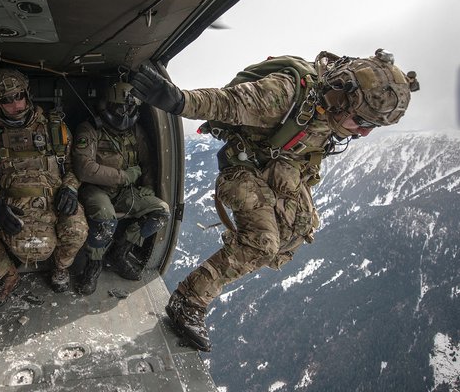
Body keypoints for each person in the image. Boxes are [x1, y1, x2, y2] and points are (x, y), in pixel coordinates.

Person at [130, 50, 418, 351]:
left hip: (282, 167)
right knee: (263, 243)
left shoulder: (333, 114)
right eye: (360, 121)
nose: (364, 132)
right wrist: (179, 101)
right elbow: (228, 103)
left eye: (372, 126)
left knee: (302, 227)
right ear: (341, 96)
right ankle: (188, 300)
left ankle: (242, 251)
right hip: (241, 166)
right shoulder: (286, 94)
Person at [0, 68, 88, 308]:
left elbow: (74, 165)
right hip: (9, 204)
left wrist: (70, 188)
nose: (16, 103)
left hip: (52, 201)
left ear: (27, 94)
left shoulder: (54, 128)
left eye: (19, 95)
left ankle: (60, 268)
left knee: (77, 229)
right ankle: (5, 275)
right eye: (6, 100)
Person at [71, 81, 171, 295]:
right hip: (96, 190)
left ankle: (120, 253)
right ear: (106, 106)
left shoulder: (136, 131)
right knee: (105, 216)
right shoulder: (89, 129)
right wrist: (124, 177)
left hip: (126, 193)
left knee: (161, 211)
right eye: (120, 107)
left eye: (130, 108)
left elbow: (148, 162)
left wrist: (149, 187)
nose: (125, 113)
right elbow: (84, 169)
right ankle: (93, 265)